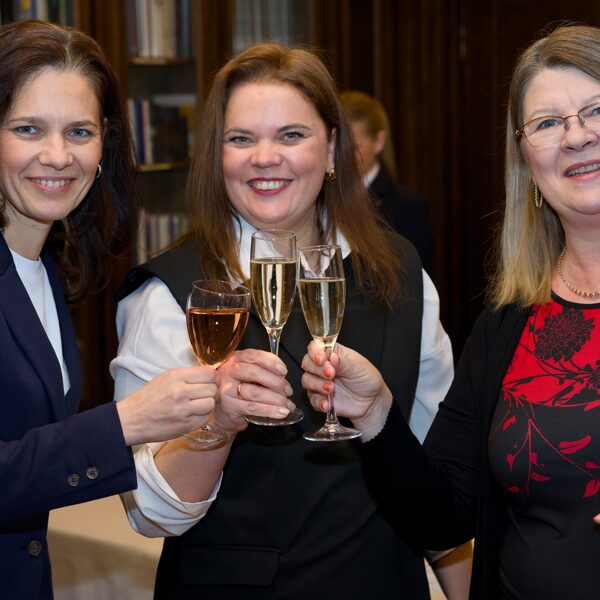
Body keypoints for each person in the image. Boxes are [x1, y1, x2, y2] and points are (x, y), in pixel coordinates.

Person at [111, 42, 471, 598]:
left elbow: (438, 483)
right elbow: (151, 513)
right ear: (216, 156)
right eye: (240, 138)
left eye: (291, 135)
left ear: (332, 150)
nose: (264, 157)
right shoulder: (170, 294)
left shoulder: (400, 272)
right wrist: (216, 429)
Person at [302, 23, 600, 600]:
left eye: (595, 109)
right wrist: (377, 416)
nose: (577, 136)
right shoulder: (506, 325)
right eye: (546, 123)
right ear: (526, 162)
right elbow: (445, 517)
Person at [0, 20, 223, 599]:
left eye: (79, 131)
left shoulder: (47, 267)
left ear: (105, 148)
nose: (57, 155)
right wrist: (126, 423)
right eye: (27, 128)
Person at [340, 90, 434, 273]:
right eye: (337, 146)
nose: (343, 156)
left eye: (353, 147)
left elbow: (417, 279)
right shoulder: (319, 198)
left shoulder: (409, 207)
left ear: (379, 142)